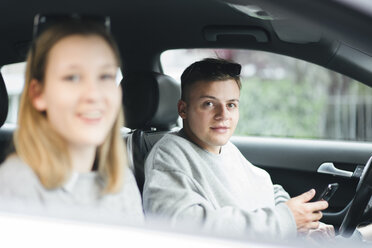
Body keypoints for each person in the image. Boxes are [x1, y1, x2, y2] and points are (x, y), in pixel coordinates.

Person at [142, 58, 335, 240]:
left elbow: (267, 188)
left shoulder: (226, 149)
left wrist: (301, 224)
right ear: (183, 109)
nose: (223, 115)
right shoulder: (169, 154)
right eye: (209, 104)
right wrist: (284, 220)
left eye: (231, 105)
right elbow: (179, 226)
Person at [0, 15, 144, 223]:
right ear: (38, 94)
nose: (94, 94)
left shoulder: (122, 181)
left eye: (105, 76)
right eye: (73, 77)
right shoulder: (16, 185)